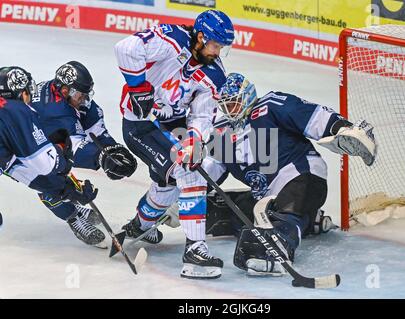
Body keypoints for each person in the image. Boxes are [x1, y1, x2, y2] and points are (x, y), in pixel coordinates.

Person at [203, 72, 377, 276]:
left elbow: (311, 115)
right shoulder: (221, 132)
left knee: (287, 211)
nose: (230, 110)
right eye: (225, 106)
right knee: (231, 208)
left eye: (234, 103)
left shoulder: (269, 105)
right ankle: (309, 221)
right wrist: (185, 188)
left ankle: (279, 246)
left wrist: (341, 128)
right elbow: (212, 169)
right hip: (268, 197)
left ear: (247, 95)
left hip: (302, 177)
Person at [114, 10, 235, 279]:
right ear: (201, 37)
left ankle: (139, 226)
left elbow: (203, 114)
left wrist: (194, 138)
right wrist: (138, 87)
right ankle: (194, 250)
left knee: (166, 184)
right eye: (215, 45)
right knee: (188, 171)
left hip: (174, 128)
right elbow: (126, 48)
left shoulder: (214, 75)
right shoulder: (172, 39)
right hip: (141, 125)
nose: (217, 52)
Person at [31, 61, 137, 246]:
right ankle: (72, 216)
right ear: (65, 91)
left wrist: (112, 149)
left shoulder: (71, 97)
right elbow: (75, 149)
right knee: (46, 177)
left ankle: (74, 208)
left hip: (46, 136)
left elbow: (95, 129)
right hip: (24, 145)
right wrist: (101, 158)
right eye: (81, 95)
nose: (84, 99)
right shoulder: (54, 110)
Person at [0, 66, 97, 214]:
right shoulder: (15, 111)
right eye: (27, 91)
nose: (29, 98)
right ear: (19, 93)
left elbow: (17, 168)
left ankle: (70, 213)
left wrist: (63, 189)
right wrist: (62, 151)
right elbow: (44, 165)